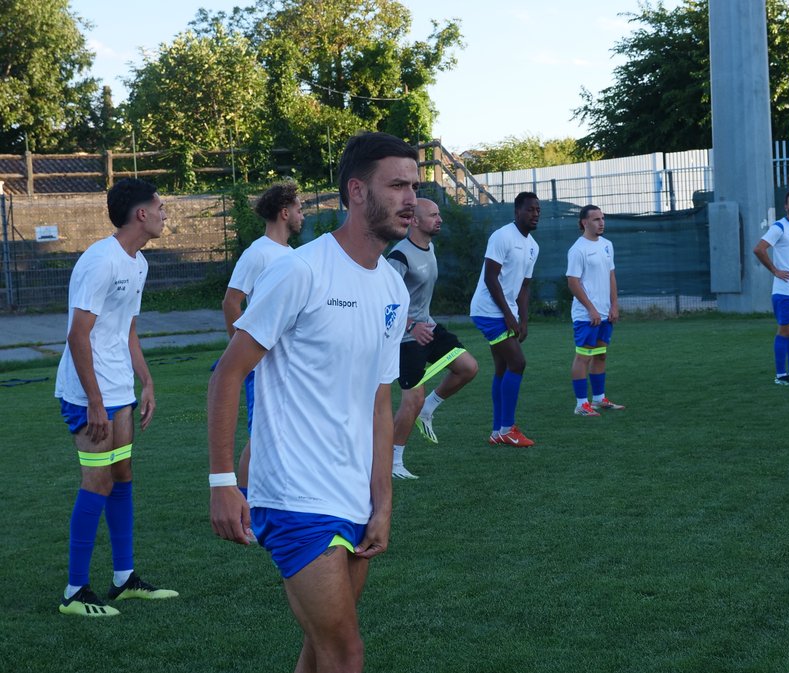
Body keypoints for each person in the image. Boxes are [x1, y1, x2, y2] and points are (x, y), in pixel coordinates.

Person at [208, 131, 414, 673]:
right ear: (357, 192)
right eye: (396, 185)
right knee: (347, 654)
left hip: (354, 495)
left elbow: (378, 401)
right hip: (295, 493)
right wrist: (224, 484)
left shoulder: (394, 288)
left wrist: (383, 502)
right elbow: (227, 375)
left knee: (320, 653)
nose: (411, 198)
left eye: (414, 185)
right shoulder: (300, 270)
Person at [54, 177, 178, 617]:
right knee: (98, 482)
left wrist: (146, 381)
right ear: (140, 214)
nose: (166, 214)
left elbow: (126, 330)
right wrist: (93, 401)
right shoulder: (99, 261)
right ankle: (74, 592)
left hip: (119, 388)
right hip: (89, 393)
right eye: (160, 207)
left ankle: (124, 581)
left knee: (122, 475)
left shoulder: (138, 263)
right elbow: (77, 335)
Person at [219, 181, 304, 491]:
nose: (301, 215)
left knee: (284, 431)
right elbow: (231, 301)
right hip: (262, 361)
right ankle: (243, 505)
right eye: (298, 208)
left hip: (288, 361)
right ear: (284, 213)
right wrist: (241, 356)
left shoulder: (291, 253)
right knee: (261, 437)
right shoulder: (258, 253)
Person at [386, 198, 479, 478]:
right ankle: (394, 463)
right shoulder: (398, 257)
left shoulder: (430, 247)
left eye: (439, 214)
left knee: (468, 367)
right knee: (411, 399)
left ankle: (430, 408)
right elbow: (384, 303)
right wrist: (412, 325)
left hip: (428, 328)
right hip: (405, 338)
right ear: (414, 220)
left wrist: (422, 322)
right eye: (433, 215)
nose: (439, 219)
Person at [469, 192, 540, 447]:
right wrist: (509, 315)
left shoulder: (534, 246)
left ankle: (498, 431)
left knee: (503, 368)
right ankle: (508, 429)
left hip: (505, 312)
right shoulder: (502, 236)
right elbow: (491, 278)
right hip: (488, 311)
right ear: (517, 211)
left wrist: (523, 319)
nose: (535, 214)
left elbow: (524, 287)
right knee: (518, 362)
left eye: (538, 210)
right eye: (530, 209)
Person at [565, 205, 626, 416]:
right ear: (584, 222)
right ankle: (581, 404)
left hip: (605, 313)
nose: (601, 222)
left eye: (602, 218)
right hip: (586, 315)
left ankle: (599, 399)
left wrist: (614, 305)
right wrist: (591, 309)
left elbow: (611, 276)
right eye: (596, 219)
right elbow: (572, 282)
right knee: (583, 357)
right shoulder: (578, 249)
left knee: (600, 355)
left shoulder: (607, 245)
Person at [753, 188, 789, 385]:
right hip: (785, 292)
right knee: (785, 330)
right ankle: (780, 376)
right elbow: (759, 249)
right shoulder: (779, 227)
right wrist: (775, 270)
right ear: (786, 207)